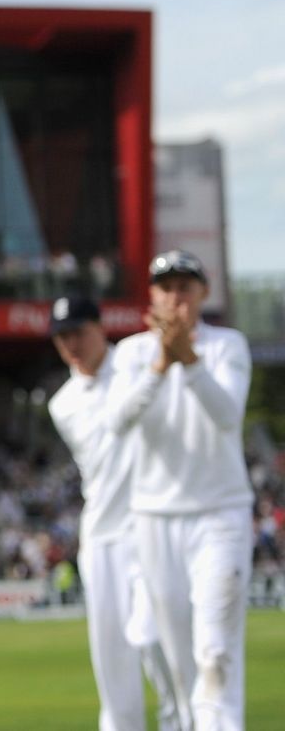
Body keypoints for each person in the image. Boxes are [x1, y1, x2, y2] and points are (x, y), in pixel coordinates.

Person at [107, 249, 253, 730]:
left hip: (220, 514)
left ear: (203, 293)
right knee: (179, 660)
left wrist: (187, 360)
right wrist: (160, 365)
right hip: (154, 517)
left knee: (215, 652)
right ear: (151, 296)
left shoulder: (226, 346)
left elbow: (227, 414)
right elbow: (118, 420)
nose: (175, 298)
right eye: (166, 288)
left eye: (185, 288)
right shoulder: (130, 354)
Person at [45, 294, 181, 731]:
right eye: (62, 337)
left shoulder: (133, 359)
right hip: (102, 535)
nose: (71, 345)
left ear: (100, 328)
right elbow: (115, 434)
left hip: (150, 524)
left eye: (79, 333)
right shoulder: (63, 402)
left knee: (154, 639)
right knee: (112, 663)